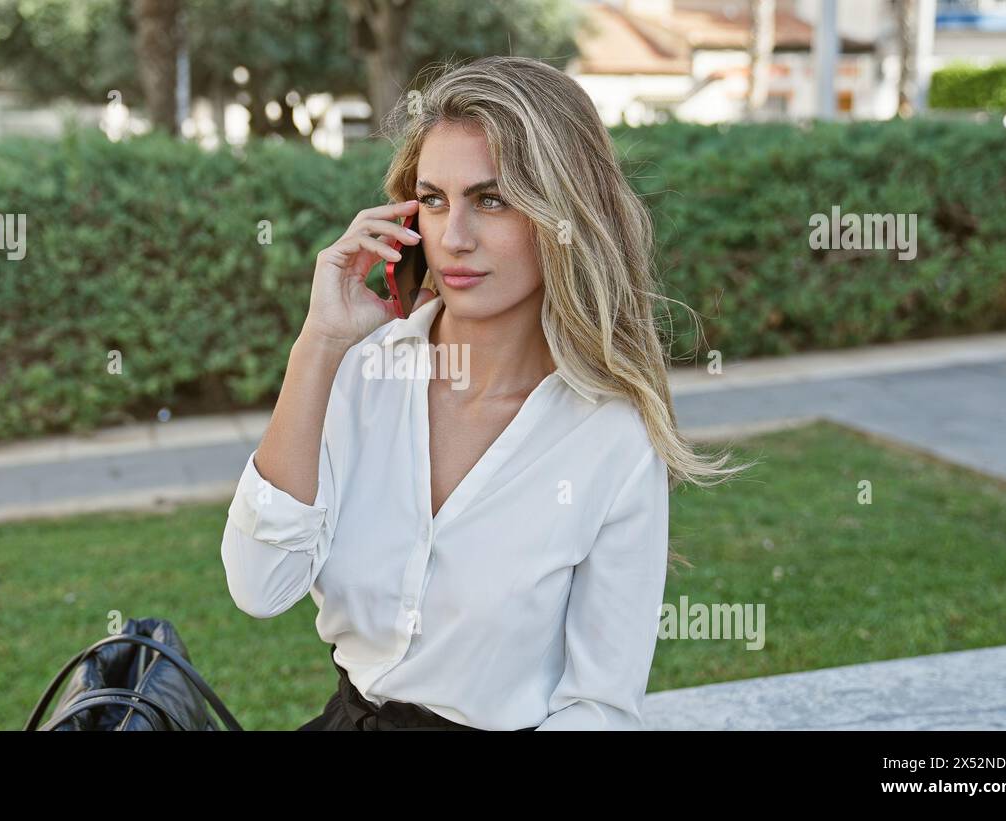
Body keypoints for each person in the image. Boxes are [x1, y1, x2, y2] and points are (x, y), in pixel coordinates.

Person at [220, 56, 748, 731]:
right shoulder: (361, 374)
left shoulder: (610, 436)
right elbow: (260, 584)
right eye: (435, 200)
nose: (455, 238)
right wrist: (319, 343)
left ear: (565, 217)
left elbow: (599, 709)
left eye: (492, 199)